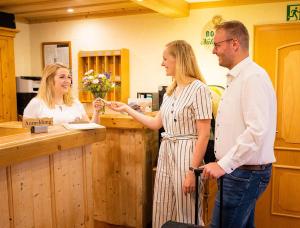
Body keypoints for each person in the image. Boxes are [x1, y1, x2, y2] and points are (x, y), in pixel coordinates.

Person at [107, 40, 212, 227]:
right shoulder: (171, 90)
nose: (162, 63)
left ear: (178, 59)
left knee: (186, 210)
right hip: (166, 152)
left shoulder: (200, 89)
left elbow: (204, 134)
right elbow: (156, 124)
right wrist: (127, 109)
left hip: (187, 154)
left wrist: (192, 171)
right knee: (162, 206)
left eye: (165, 59)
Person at [201, 21, 277, 228]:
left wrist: (223, 164)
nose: (214, 51)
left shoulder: (252, 77)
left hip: (244, 173)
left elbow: (256, 131)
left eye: (217, 45)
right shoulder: (238, 77)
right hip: (239, 171)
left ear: (234, 43)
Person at [24, 63, 102, 124]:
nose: (68, 81)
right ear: (49, 80)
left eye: (69, 77)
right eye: (62, 77)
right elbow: (27, 131)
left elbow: (90, 128)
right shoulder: (37, 103)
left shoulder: (75, 103)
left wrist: (96, 112)